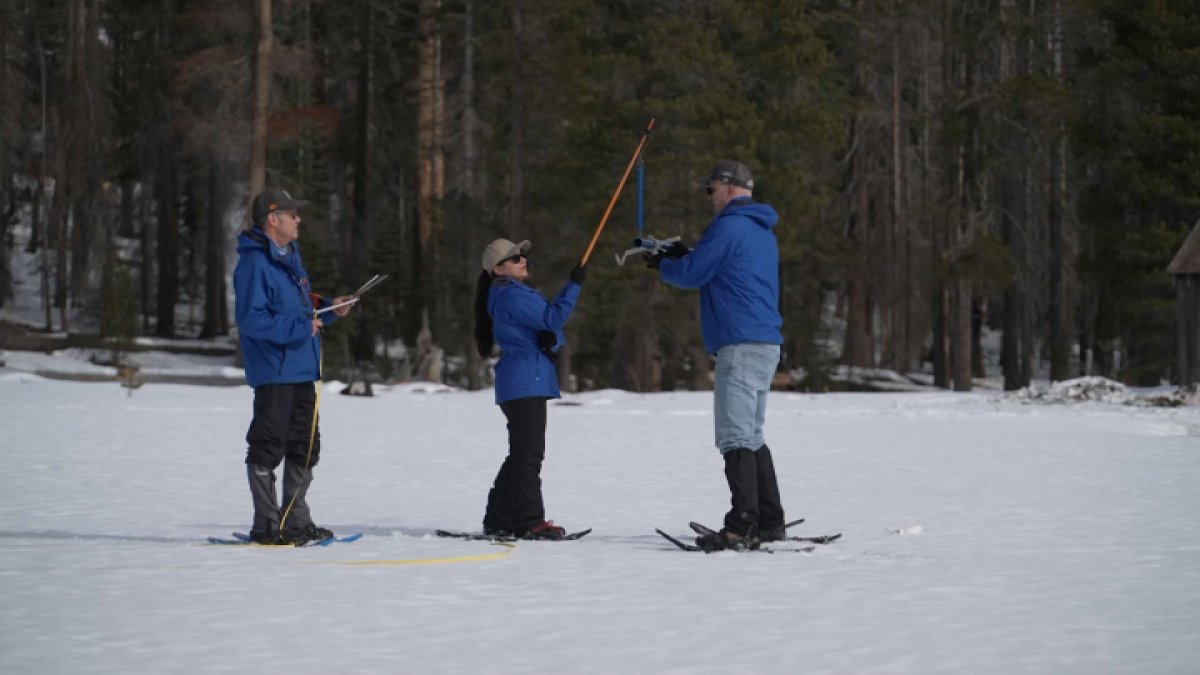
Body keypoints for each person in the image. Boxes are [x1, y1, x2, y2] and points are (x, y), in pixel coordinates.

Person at [645, 160, 786, 552]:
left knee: (735, 435)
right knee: (752, 434)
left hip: (740, 343)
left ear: (727, 188)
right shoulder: (760, 230)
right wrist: (684, 253)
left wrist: (663, 263)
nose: (709, 197)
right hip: (764, 342)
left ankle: (742, 524)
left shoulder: (729, 226)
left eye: (710, 190)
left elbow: (692, 274)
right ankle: (770, 521)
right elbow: (722, 266)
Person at [233, 188, 354, 545]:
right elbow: (251, 320)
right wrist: (303, 327)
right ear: (273, 219)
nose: (299, 219)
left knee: (305, 446)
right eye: (292, 214)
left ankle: (296, 521)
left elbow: (300, 306)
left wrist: (330, 307)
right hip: (275, 371)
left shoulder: (290, 256)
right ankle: (267, 526)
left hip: (304, 368)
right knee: (268, 446)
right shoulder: (254, 264)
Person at [473, 238, 587, 539]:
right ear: (498, 269)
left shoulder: (511, 293)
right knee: (528, 455)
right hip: (524, 382)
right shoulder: (510, 295)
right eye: (514, 258)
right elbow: (553, 317)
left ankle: (498, 518)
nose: (522, 260)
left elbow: (550, 330)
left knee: (521, 454)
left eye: (522, 255)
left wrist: (553, 339)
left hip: (524, 380)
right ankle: (530, 521)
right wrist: (574, 285)